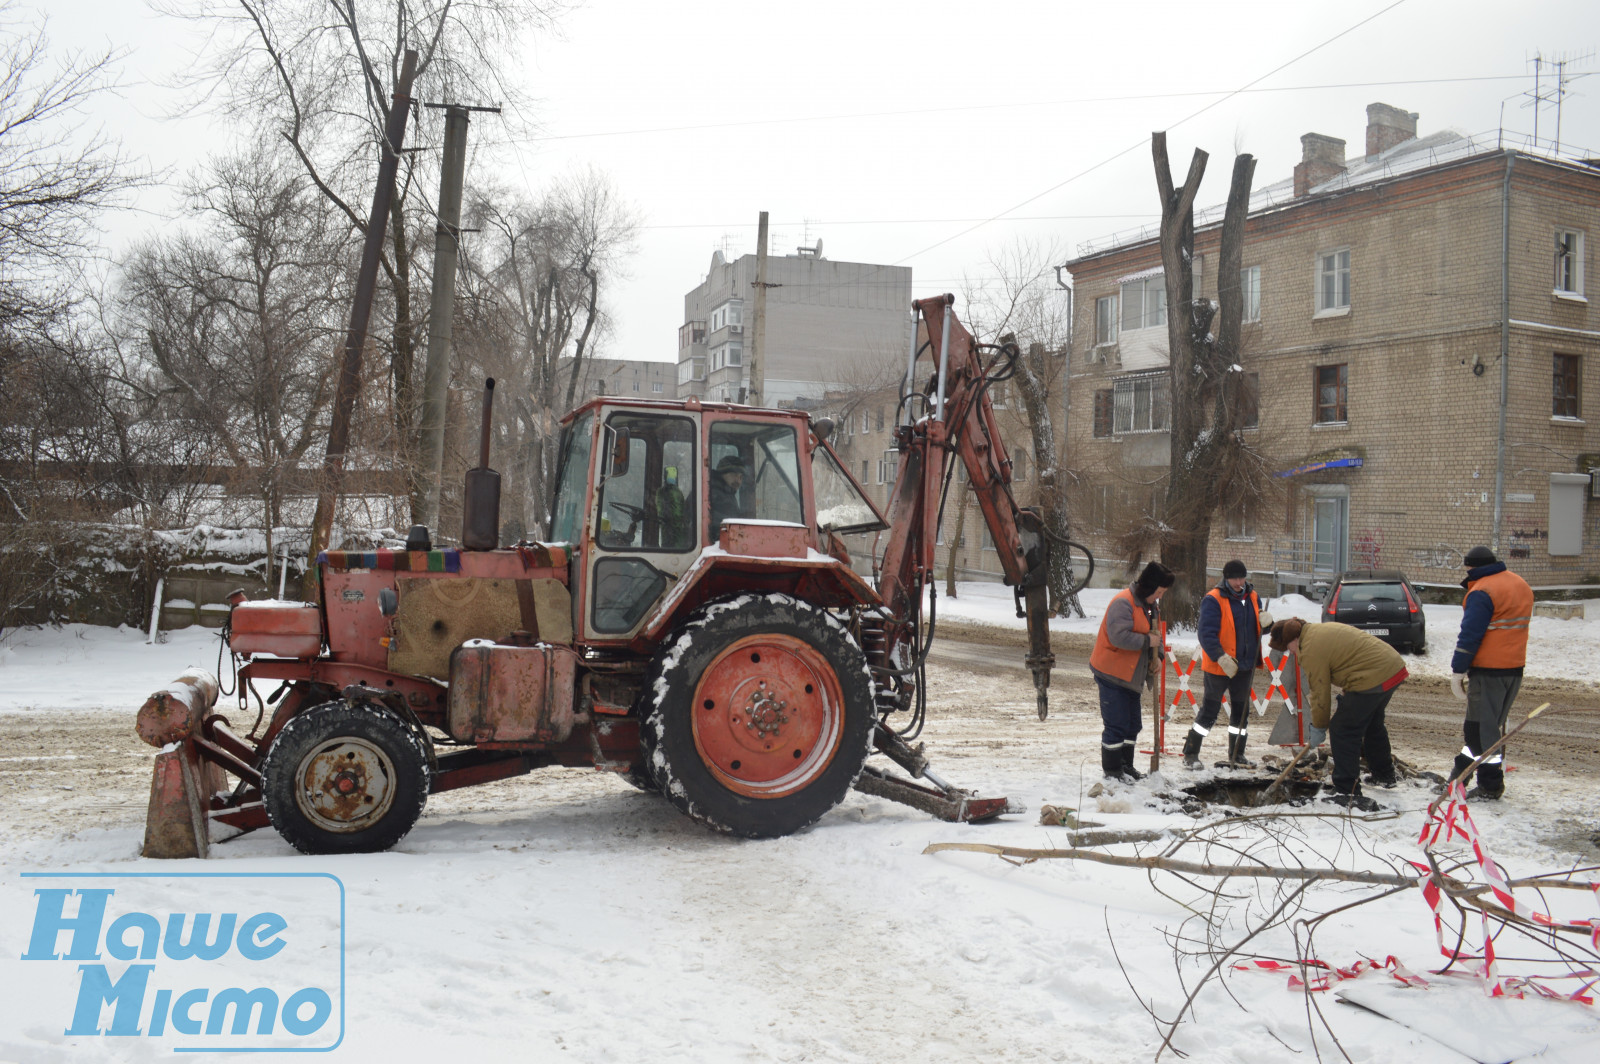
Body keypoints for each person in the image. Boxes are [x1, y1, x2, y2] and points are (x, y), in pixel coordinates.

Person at [1268, 617, 1406, 811]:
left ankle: (1346, 789)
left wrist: (1319, 726)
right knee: (1373, 724)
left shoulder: (1309, 649)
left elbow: (1319, 693)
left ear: (1293, 639)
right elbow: (1348, 658)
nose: (1290, 653)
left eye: (1287, 647)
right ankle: (1384, 775)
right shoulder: (1316, 632)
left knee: (1342, 729)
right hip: (1391, 668)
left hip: (1373, 676)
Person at [1448, 545, 1533, 799]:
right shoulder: (1519, 584)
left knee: (1480, 731)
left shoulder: (1483, 591)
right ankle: (1459, 778)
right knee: (1487, 728)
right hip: (1514, 669)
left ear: (1472, 568)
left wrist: (1458, 670)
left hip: (1488, 671)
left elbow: (1470, 635)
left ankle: (1489, 785)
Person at [1090, 561, 1175, 783]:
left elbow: (1156, 636)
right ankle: (1112, 771)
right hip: (1113, 674)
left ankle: (1126, 766)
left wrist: (1157, 656)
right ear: (1149, 587)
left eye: (1163, 593)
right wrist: (1148, 641)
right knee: (1116, 724)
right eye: (1159, 591)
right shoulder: (1123, 603)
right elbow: (1119, 637)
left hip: (1131, 677)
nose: (1160, 597)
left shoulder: (1150, 606)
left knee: (1132, 724)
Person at [1187, 560, 1273, 770]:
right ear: (1226, 578)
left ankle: (1238, 754)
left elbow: (1261, 630)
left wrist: (1268, 624)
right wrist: (1220, 657)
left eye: (1241, 577)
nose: (1238, 582)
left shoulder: (1253, 596)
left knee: (1241, 712)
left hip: (1245, 665)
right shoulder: (1213, 599)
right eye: (1234, 578)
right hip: (1220, 666)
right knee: (1210, 711)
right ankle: (1190, 754)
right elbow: (1206, 634)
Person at [708, 455, 751, 537]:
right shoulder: (716, 496)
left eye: (741, 477)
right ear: (721, 474)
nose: (738, 481)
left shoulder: (725, 493)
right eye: (734, 474)